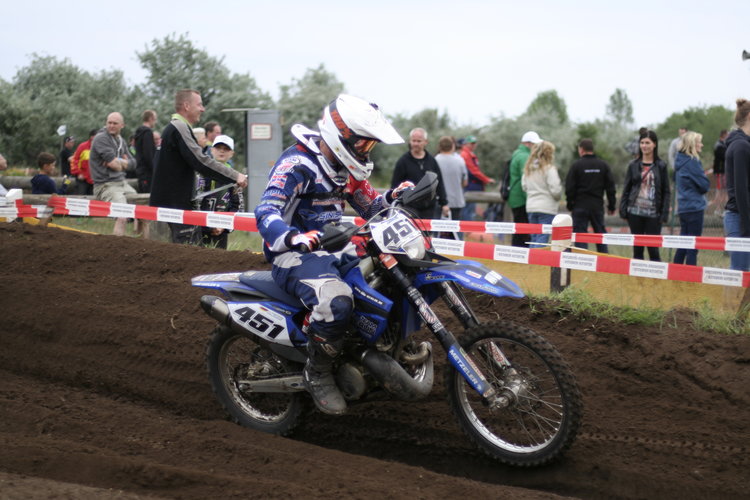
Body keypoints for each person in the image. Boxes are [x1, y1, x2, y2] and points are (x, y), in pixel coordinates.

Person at [255, 94, 407, 415]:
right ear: (342, 136)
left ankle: (367, 350)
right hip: (294, 255)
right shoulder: (297, 165)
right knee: (337, 302)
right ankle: (317, 372)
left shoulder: (343, 168)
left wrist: (394, 197)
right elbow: (266, 210)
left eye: (369, 146)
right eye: (363, 144)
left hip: (335, 247)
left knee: (386, 280)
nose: (365, 151)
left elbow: (372, 208)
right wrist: (293, 236)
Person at [150, 89, 247, 244]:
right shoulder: (180, 127)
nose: (203, 109)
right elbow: (201, 161)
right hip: (176, 206)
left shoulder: (174, 127)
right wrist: (234, 175)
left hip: (171, 204)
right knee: (187, 253)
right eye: (200, 105)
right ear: (187, 106)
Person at [619, 130, 670, 261]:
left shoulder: (661, 165)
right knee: (637, 250)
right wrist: (623, 209)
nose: (644, 146)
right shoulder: (633, 165)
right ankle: (638, 275)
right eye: (642, 143)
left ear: (654, 144)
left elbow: (666, 191)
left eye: (647, 143)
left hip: (653, 214)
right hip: (634, 212)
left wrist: (664, 213)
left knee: (653, 250)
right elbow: (626, 188)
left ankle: (656, 274)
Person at [89, 112, 138, 236]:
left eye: (115, 123)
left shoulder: (121, 140)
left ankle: (142, 242)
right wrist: (122, 163)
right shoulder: (101, 138)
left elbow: (133, 163)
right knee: (122, 215)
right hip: (105, 185)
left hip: (121, 183)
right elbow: (114, 165)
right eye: (109, 123)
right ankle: (117, 245)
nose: (111, 126)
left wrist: (120, 162)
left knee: (143, 210)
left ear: (122, 125)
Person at [565, 139, 617, 253]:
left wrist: (570, 204)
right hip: (597, 206)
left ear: (581, 150)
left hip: (580, 206)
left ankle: (581, 260)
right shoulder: (603, 165)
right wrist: (611, 206)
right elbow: (611, 188)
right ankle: (603, 259)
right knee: (600, 236)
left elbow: (569, 188)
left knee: (580, 236)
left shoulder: (576, 165)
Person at [196, 134, 244, 249]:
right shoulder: (202, 173)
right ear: (212, 150)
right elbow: (195, 202)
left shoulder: (237, 177)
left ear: (232, 153)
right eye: (218, 148)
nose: (222, 151)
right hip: (200, 227)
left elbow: (238, 205)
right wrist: (206, 226)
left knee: (220, 257)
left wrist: (225, 226)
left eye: (226, 149)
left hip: (222, 228)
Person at [391, 128, 449, 221]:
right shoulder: (403, 161)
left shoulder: (432, 161)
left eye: (419, 141)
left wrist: (444, 203)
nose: (416, 144)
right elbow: (395, 185)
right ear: (410, 141)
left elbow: (439, 182)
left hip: (429, 208)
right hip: (409, 207)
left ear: (426, 142)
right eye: (413, 141)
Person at [673, 131, 710, 266]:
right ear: (693, 145)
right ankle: (691, 276)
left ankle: (675, 272)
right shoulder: (692, 162)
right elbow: (704, 185)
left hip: (683, 207)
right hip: (694, 207)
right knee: (693, 246)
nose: (702, 145)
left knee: (683, 243)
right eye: (699, 142)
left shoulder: (679, 161)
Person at [723, 98, 750, 271]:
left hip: (743, 217)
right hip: (740, 218)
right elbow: (741, 189)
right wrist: (747, 226)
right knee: (739, 274)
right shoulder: (741, 146)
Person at [521, 141, 561, 247]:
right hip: (546, 208)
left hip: (531, 207)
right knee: (542, 238)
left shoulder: (528, 169)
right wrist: (558, 198)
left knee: (534, 238)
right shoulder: (549, 169)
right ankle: (538, 258)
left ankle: (531, 257)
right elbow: (556, 190)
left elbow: (524, 186)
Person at [508, 131, 542, 247]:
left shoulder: (518, 153)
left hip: (516, 197)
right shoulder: (524, 157)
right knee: (523, 231)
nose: (536, 147)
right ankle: (520, 253)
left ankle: (516, 252)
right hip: (522, 198)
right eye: (535, 144)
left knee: (518, 229)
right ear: (528, 143)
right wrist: (531, 199)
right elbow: (527, 180)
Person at [459, 135, 495, 221]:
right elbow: (473, 171)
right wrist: (486, 179)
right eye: (471, 143)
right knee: (468, 211)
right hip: (469, 186)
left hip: (471, 186)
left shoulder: (469, 154)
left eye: (474, 143)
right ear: (466, 144)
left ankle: (467, 228)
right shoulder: (465, 154)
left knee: (470, 210)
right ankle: (466, 228)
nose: (474, 145)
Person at [434, 135, 468, 223]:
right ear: (453, 146)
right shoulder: (460, 161)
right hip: (456, 201)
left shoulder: (434, 161)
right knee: (456, 227)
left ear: (439, 146)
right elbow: (465, 182)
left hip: (438, 201)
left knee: (436, 227)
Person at [134, 110, 157, 193]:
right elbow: (148, 154)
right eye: (155, 119)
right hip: (147, 172)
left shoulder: (138, 132)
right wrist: (154, 169)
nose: (155, 122)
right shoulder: (147, 132)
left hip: (141, 171)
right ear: (150, 118)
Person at [71, 129, 97, 195]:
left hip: (95, 179)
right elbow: (74, 161)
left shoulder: (101, 148)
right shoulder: (82, 146)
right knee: (81, 196)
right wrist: (78, 173)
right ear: (91, 137)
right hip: (83, 179)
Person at [710, 129, 729, 213]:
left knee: (725, 191)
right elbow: (725, 157)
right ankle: (718, 209)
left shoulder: (724, 144)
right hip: (720, 172)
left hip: (724, 171)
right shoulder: (719, 145)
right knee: (720, 190)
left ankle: (725, 209)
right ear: (724, 135)